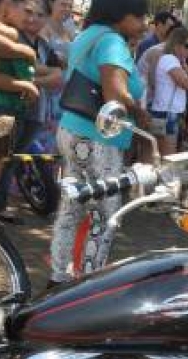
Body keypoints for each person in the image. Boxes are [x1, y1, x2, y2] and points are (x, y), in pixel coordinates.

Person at [48, 0, 148, 287]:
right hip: (98, 138)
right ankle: (89, 283)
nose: (143, 25)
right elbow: (116, 94)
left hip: (72, 130)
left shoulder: (88, 35)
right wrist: (141, 113)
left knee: (71, 209)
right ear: (120, 15)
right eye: (139, 17)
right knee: (105, 215)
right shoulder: (112, 40)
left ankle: (58, 277)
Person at [0, 0, 39, 222]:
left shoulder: (5, 31)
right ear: (7, 5)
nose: (31, 17)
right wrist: (25, 85)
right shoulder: (0, 32)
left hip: (6, 111)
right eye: (26, 10)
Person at [149, 27, 188, 155]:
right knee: (168, 157)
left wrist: (186, 65)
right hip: (167, 114)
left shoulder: (174, 60)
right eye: (187, 45)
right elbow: (187, 84)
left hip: (165, 112)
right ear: (176, 44)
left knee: (159, 154)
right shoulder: (170, 59)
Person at [16, 0, 62, 152]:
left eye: (40, 15)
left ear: (47, 19)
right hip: (11, 111)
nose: (32, 18)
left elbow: (59, 77)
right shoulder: (13, 36)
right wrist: (46, 74)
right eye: (28, 12)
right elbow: (20, 67)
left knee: (13, 164)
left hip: (36, 115)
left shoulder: (44, 46)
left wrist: (32, 81)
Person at [40, 0, 74, 64]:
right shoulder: (43, 26)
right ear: (51, 4)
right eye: (63, 5)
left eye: (70, 6)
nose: (67, 9)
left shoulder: (68, 28)